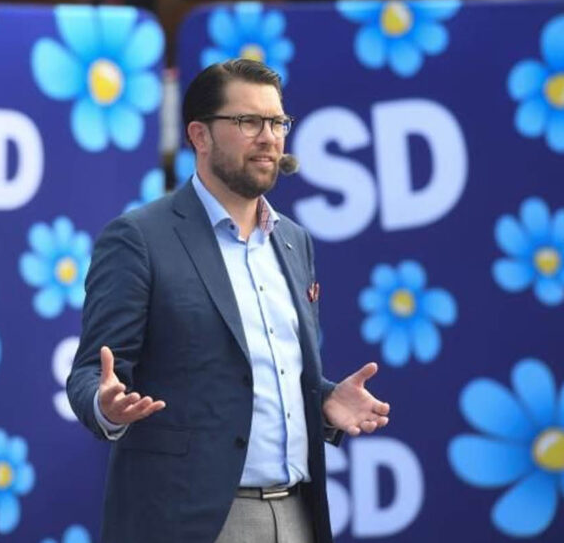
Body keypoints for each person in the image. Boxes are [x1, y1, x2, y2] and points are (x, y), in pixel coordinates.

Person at [67, 58, 390, 543]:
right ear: (199, 135)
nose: (269, 137)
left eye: (278, 122)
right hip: (193, 520)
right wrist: (106, 406)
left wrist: (322, 401)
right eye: (248, 122)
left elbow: (257, 371)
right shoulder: (139, 238)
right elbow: (92, 372)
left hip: (298, 511)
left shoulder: (293, 241)